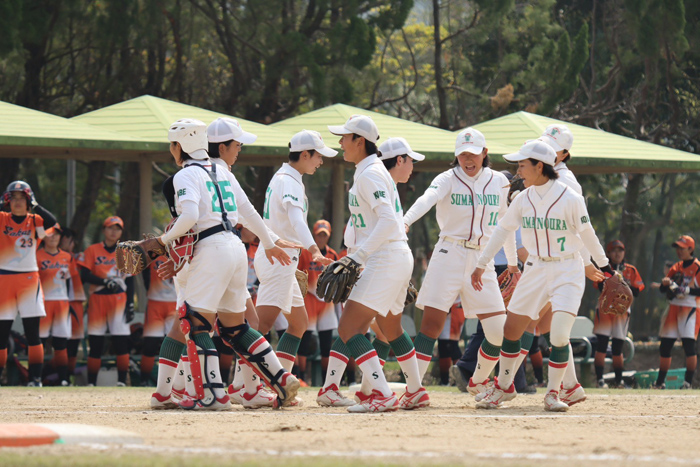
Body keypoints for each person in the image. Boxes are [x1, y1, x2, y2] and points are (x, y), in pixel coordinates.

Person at [150, 118, 298, 410]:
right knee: (236, 328)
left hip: (210, 250)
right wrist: (268, 242)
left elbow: (190, 217)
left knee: (196, 324)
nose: (172, 149)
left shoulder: (185, 175)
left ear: (180, 145)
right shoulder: (222, 171)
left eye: (172, 144)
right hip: (235, 248)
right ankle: (281, 378)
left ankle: (212, 396)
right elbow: (248, 211)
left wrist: (162, 241)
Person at [470, 139, 610, 412]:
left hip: (567, 269)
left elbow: (587, 235)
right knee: (511, 330)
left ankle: (553, 393)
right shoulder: (523, 199)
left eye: (522, 165)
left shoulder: (571, 198)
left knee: (558, 335)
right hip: (535, 268)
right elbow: (502, 230)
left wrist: (606, 267)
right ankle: (504, 387)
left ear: (540, 166)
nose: (518, 170)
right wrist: (481, 263)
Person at [317, 117, 426, 413]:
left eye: (345, 137)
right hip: (393, 255)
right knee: (390, 327)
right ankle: (415, 391)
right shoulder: (370, 171)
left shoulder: (370, 174)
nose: (341, 142)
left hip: (384, 257)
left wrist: (357, 256)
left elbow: (388, 221)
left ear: (360, 141)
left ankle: (382, 394)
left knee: (349, 327)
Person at [403, 128, 518, 397]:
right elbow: (427, 199)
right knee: (431, 326)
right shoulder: (447, 178)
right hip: (449, 253)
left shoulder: (500, 182)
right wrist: (405, 221)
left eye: (473, 153)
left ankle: (477, 380)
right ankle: (414, 390)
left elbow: (507, 224)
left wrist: (512, 264)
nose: (468, 159)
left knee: (497, 332)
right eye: (462, 154)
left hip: (482, 259)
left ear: (485, 153)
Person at [254, 130, 335, 382]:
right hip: (278, 259)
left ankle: (280, 382)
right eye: (318, 155)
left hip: (281, 259)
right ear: (304, 154)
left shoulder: (286, 177)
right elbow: (297, 220)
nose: (320, 161)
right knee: (259, 327)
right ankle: (244, 384)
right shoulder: (289, 181)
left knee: (299, 324)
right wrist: (314, 250)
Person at [0, 181, 58, 386]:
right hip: (4, 279)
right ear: (7, 201)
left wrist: (35, 204)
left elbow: (52, 222)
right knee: (2, 333)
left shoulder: (36, 220)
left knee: (33, 332)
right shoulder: (2, 218)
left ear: (28, 201)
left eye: (22, 198)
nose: (17, 202)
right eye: (13, 198)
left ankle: (35, 378)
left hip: (29, 281)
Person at [79, 216, 134, 386]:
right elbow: (84, 275)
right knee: (96, 342)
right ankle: (91, 383)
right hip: (98, 299)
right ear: (104, 230)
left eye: (117, 229)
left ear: (121, 232)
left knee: (120, 341)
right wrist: (104, 282)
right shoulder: (93, 250)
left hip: (119, 300)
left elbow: (130, 280)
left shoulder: (126, 252)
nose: (113, 232)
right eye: (110, 228)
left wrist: (131, 304)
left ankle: (121, 381)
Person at [593, 240, 644, 388]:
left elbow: (637, 291)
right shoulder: (604, 268)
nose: (617, 253)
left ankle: (619, 380)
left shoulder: (630, 270)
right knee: (602, 345)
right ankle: (599, 380)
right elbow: (599, 286)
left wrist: (623, 284)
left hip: (622, 311)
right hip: (605, 309)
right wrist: (613, 280)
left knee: (617, 347)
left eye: (620, 250)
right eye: (614, 250)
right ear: (608, 253)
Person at [655, 235, 700, 389]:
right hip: (674, 307)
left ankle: (687, 382)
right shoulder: (676, 267)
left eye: (682, 248)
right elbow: (663, 289)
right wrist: (666, 284)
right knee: (665, 346)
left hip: (690, 309)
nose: (679, 251)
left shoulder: (697, 267)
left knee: (688, 346)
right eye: (677, 248)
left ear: (691, 249)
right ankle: (660, 382)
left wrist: (685, 290)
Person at [296, 220, 339, 379]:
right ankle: (300, 377)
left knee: (326, 343)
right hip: (309, 299)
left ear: (328, 236)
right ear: (314, 235)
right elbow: (298, 273)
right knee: (305, 340)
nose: (321, 238)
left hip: (326, 302)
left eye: (324, 235)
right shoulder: (305, 252)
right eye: (319, 235)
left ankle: (326, 379)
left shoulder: (333, 254)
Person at [36, 226, 73, 386]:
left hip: (62, 303)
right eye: (50, 234)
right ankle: (35, 378)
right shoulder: (36, 256)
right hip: (42, 303)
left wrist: (69, 301)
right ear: (43, 237)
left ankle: (63, 379)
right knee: (39, 341)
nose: (53, 237)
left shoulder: (67, 257)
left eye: (57, 235)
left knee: (61, 342)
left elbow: (69, 282)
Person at [140, 255, 177, 386]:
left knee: (175, 345)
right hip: (155, 302)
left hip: (175, 303)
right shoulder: (154, 253)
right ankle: (144, 380)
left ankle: (175, 381)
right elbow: (143, 271)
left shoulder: (184, 252)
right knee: (150, 344)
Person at [58, 228, 87, 378]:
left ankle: (68, 375)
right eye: (70, 240)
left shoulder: (76, 257)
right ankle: (56, 374)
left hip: (75, 301)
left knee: (74, 340)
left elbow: (86, 273)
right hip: (56, 302)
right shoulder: (46, 256)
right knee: (58, 339)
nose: (72, 244)